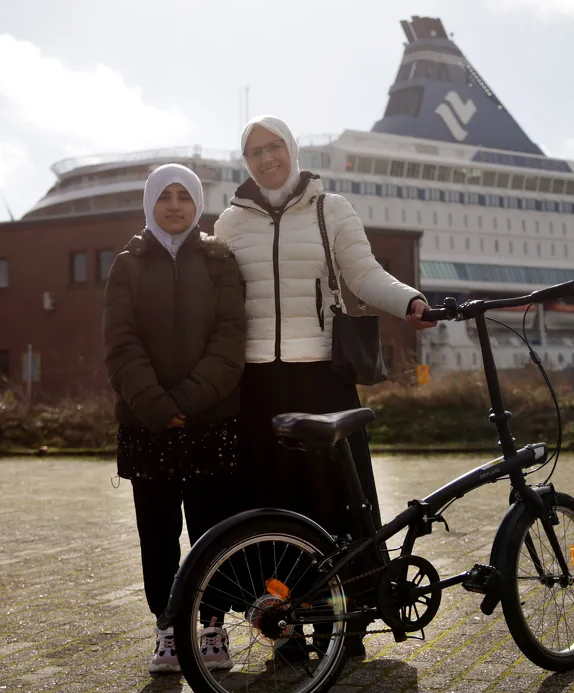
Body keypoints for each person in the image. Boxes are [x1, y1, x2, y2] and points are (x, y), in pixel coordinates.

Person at [213, 115, 436, 661]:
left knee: (340, 500)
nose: (266, 159)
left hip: (322, 378)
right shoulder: (229, 223)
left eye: (274, 147)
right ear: (245, 162)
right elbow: (215, 297)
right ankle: (282, 625)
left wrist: (410, 300)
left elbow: (364, 274)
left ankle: (350, 620)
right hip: (259, 382)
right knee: (271, 507)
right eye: (254, 152)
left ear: (291, 149)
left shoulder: (329, 208)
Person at [103, 163, 246, 674]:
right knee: (158, 532)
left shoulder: (219, 259)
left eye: (185, 195)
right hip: (148, 425)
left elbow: (231, 339)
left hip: (211, 419)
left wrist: (191, 399)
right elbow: (121, 344)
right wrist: (161, 407)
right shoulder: (128, 264)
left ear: (198, 203)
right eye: (165, 195)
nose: (175, 205)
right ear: (150, 203)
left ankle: (212, 627)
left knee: (212, 528)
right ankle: (167, 628)